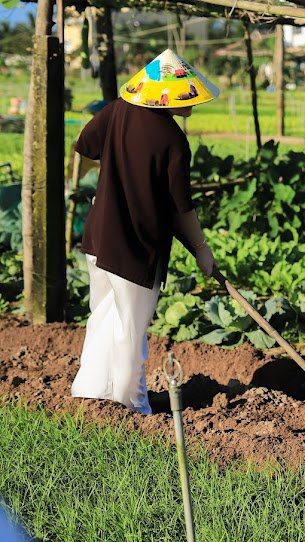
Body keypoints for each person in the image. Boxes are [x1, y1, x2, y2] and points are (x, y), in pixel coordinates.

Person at [70, 49, 220, 415]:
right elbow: (181, 208)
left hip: (99, 235)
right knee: (131, 326)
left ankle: (91, 389)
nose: (192, 103)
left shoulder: (116, 111)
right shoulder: (172, 141)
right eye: (187, 95)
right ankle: (130, 403)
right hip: (135, 244)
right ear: (168, 96)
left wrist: (108, 184)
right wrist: (202, 249)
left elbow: (84, 145)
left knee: (103, 313)